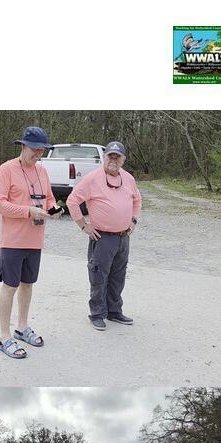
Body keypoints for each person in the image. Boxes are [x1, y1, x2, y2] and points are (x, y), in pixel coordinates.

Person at [0, 125, 60, 361]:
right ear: (23, 146)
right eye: (35, 149)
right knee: (10, 286)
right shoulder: (6, 170)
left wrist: (53, 210)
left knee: (28, 284)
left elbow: (49, 198)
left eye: (42, 150)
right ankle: (4, 335)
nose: (38, 154)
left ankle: (22, 326)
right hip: (13, 240)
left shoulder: (42, 172)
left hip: (35, 240)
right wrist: (28, 211)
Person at [67, 141, 141, 331]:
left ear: (123, 159)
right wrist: (83, 225)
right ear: (104, 157)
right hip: (102, 238)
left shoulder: (129, 179)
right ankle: (97, 314)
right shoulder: (92, 179)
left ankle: (114, 311)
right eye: (110, 156)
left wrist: (133, 221)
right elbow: (72, 201)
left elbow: (137, 200)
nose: (113, 160)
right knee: (99, 276)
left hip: (123, 237)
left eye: (117, 157)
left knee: (118, 276)